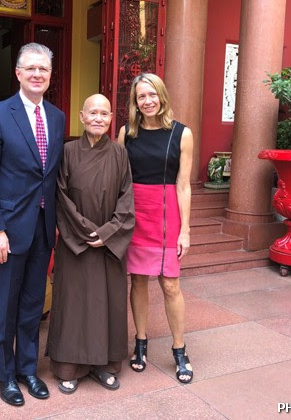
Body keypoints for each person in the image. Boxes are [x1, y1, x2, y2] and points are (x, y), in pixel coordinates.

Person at [0, 43, 65, 406]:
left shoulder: (56, 118)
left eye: (43, 69)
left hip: (43, 229)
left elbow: (52, 176)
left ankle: (28, 370)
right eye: (31, 69)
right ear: (18, 73)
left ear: (50, 75)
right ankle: (5, 376)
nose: (37, 75)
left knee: (31, 306)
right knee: (3, 309)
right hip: (6, 233)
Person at [47, 94, 135, 394]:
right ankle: (69, 368)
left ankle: (105, 366)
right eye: (93, 113)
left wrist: (109, 232)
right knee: (74, 304)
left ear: (112, 119)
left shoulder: (120, 153)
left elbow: (127, 198)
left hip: (109, 245)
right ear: (82, 117)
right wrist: (86, 232)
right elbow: (60, 196)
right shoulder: (67, 151)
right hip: (77, 243)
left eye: (104, 114)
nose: (98, 118)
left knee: (107, 303)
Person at [117, 73, 194, 384]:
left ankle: (180, 350)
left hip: (166, 216)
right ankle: (141, 342)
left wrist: (185, 229)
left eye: (152, 95)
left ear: (162, 96)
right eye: (141, 97)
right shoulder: (126, 133)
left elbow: (184, 185)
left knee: (170, 285)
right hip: (135, 214)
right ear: (135, 103)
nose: (147, 101)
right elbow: (117, 179)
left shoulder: (182, 134)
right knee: (137, 281)